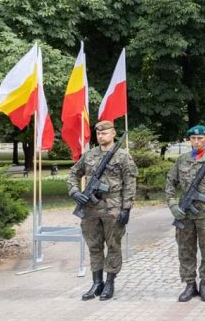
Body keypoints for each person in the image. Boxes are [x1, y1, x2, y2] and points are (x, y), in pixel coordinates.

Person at [67, 120, 137, 301]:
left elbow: (130, 183)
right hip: (90, 209)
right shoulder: (89, 155)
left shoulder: (123, 157)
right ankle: (96, 283)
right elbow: (74, 173)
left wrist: (127, 207)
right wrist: (75, 192)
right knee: (94, 246)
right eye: (98, 133)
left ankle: (110, 282)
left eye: (104, 133)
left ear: (113, 133)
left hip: (113, 207)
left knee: (113, 245)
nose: (101, 136)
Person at [165, 124, 205, 302]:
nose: (197, 141)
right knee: (185, 249)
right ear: (189, 140)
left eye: (201, 138)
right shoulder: (182, 160)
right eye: (193, 138)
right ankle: (190, 284)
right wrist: (172, 205)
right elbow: (170, 183)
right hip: (185, 214)